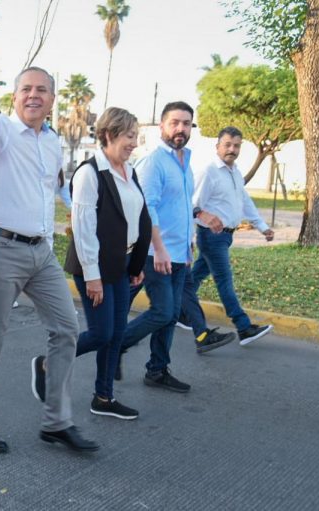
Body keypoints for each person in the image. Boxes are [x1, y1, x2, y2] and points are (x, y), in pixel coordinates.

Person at [0, 48, 98, 453]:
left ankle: (56, 422)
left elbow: (52, 188)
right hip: (0, 247)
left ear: (52, 99)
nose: (33, 95)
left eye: (42, 90)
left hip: (42, 252)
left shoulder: (52, 142)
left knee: (67, 329)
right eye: (26, 89)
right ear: (15, 95)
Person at [119, 102, 230, 394]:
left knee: (167, 318)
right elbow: (147, 208)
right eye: (175, 122)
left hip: (180, 253)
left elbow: (180, 206)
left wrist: (189, 243)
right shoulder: (154, 162)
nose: (181, 128)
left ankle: (157, 369)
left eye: (186, 123)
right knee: (164, 313)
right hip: (157, 253)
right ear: (162, 127)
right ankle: (116, 345)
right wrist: (160, 248)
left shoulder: (185, 162)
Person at [64, 107, 151, 419]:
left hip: (122, 262)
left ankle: (103, 397)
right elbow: (83, 227)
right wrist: (92, 276)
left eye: (135, 137)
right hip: (95, 266)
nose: (134, 143)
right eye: (129, 136)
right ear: (109, 135)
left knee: (116, 333)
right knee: (101, 333)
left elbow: (137, 217)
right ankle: (50, 360)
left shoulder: (129, 171)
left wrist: (137, 262)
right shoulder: (90, 173)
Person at [181, 126, 274, 344]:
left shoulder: (236, 172)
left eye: (236, 145)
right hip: (211, 236)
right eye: (227, 145)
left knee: (195, 278)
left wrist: (261, 226)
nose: (232, 149)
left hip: (225, 236)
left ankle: (179, 312)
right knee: (224, 280)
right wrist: (200, 222)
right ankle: (243, 327)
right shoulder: (209, 171)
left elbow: (244, 201)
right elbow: (192, 204)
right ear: (218, 146)